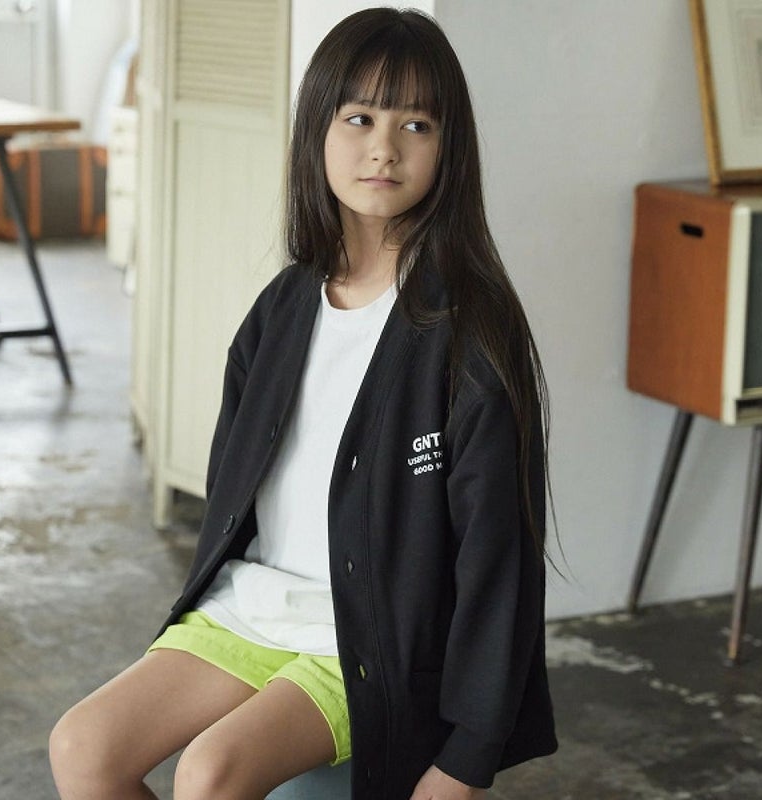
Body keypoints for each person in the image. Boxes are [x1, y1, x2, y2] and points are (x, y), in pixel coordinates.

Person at [49, 8, 557, 800]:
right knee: (82, 747)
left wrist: (467, 759)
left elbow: (500, 561)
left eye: (416, 124)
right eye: (359, 118)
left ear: (449, 148)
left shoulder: (471, 332)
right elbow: (230, 488)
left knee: (209, 773)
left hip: (368, 636)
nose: (384, 147)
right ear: (317, 129)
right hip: (252, 605)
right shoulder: (283, 308)